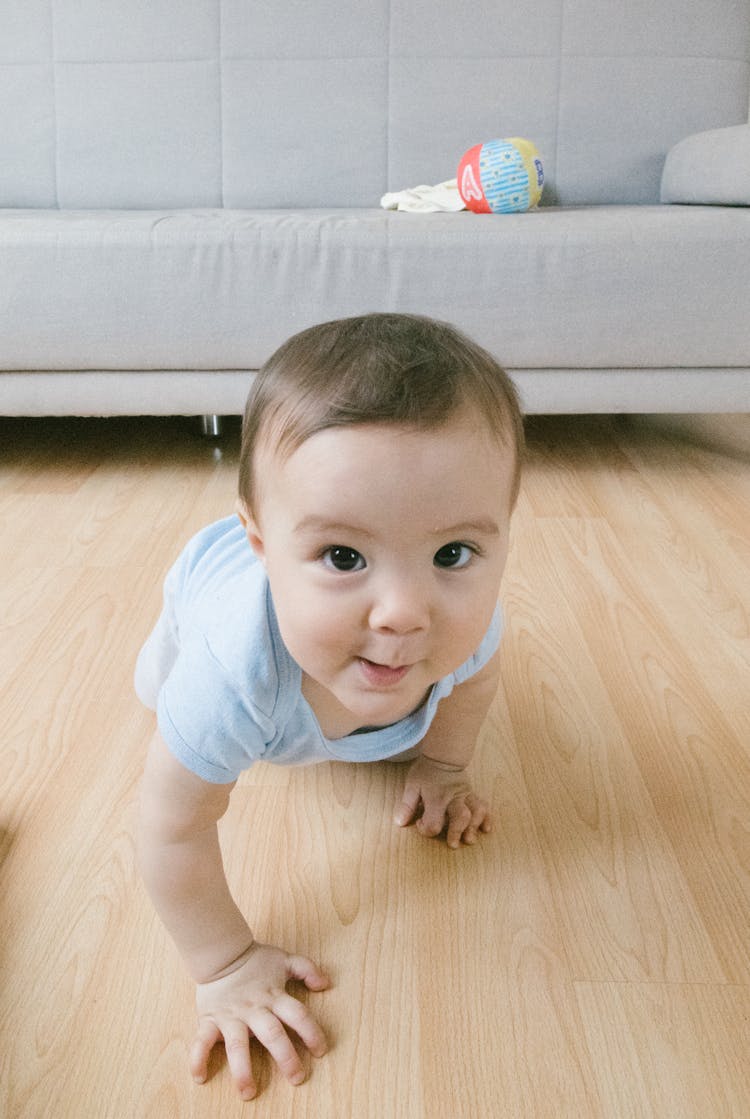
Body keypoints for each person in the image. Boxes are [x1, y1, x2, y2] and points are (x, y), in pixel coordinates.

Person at [134, 312, 524, 1101]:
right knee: (157, 698)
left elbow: (475, 682)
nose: (405, 613)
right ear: (264, 544)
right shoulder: (227, 678)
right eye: (343, 556)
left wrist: (443, 768)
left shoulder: (467, 635)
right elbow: (170, 825)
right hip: (201, 595)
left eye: (454, 553)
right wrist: (226, 962)